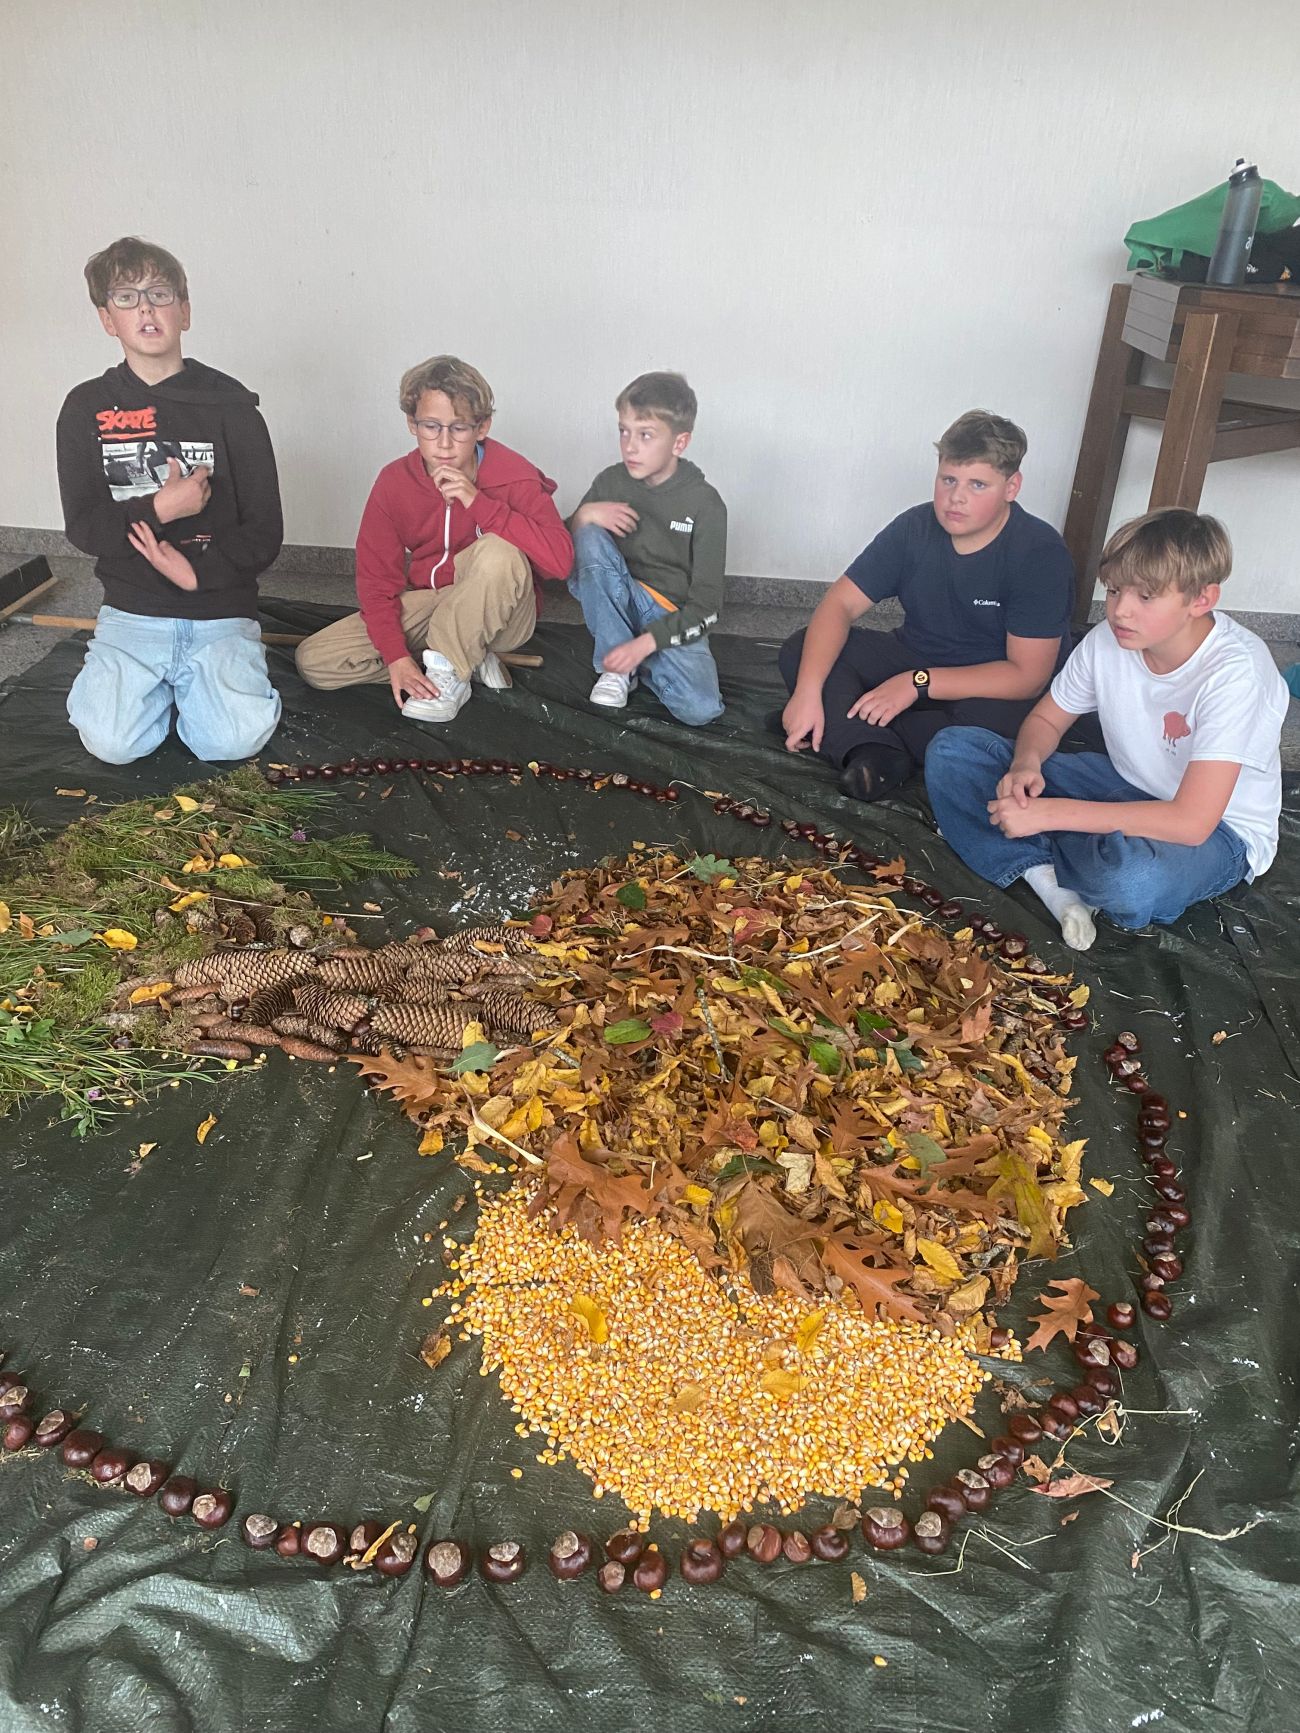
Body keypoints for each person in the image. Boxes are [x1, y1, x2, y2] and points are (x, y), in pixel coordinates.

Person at [926, 509, 1288, 951]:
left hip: (1219, 832)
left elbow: (1192, 822)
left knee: (1131, 879)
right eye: (1114, 590)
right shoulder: (1107, 641)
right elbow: (1046, 719)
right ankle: (1051, 882)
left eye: (1146, 596)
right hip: (1123, 784)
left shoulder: (1238, 672)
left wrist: (1050, 814)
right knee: (954, 752)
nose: (1120, 610)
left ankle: (1034, 841)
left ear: (1201, 599)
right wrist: (1025, 764)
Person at [57, 237, 283, 763]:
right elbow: (84, 526)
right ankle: (158, 686)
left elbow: (265, 531)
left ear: (184, 311)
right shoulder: (85, 407)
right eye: (126, 297)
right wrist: (160, 509)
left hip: (220, 611)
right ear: (107, 319)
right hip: (132, 611)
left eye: (159, 294)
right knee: (113, 744)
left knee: (231, 741)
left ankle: (204, 684)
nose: (146, 309)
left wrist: (196, 574)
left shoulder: (233, 407)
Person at [778, 410, 1073, 800]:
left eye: (978, 484)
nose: (957, 498)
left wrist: (916, 684)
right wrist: (807, 691)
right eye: (948, 479)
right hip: (914, 655)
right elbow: (839, 605)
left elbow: (1027, 676)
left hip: (989, 683)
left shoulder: (1039, 552)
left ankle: (854, 737)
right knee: (802, 649)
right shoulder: (914, 527)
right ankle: (874, 745)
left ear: (1011, 487)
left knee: (994, 726)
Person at [295, 356, 572, 723]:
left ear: (482, 427)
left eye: (459, 428)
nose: (444, 443)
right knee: (316, 662)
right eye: (430, 426)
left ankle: (449, 668)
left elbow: (560, 564)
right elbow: (377, 582)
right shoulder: (394, 482)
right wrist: (396, 657)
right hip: (433, 604)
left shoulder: (514, 475)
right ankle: (461, 661)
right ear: (412, 424)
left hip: (504, 615)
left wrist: (479, 503)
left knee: (499, 550)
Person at [568, 371, 725, 725]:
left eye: (646, 435)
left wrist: (647, 644)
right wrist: (584, 515)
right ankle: (616, 668)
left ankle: (639, 657)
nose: (630, 446)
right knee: (588, 534)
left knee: (701, 709)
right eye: (623, 431)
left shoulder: (706, 504)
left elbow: (708, 607)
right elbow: (559, 551)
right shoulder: (610, 480)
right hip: (620, 595)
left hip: (670, 613)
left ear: (679, 443)